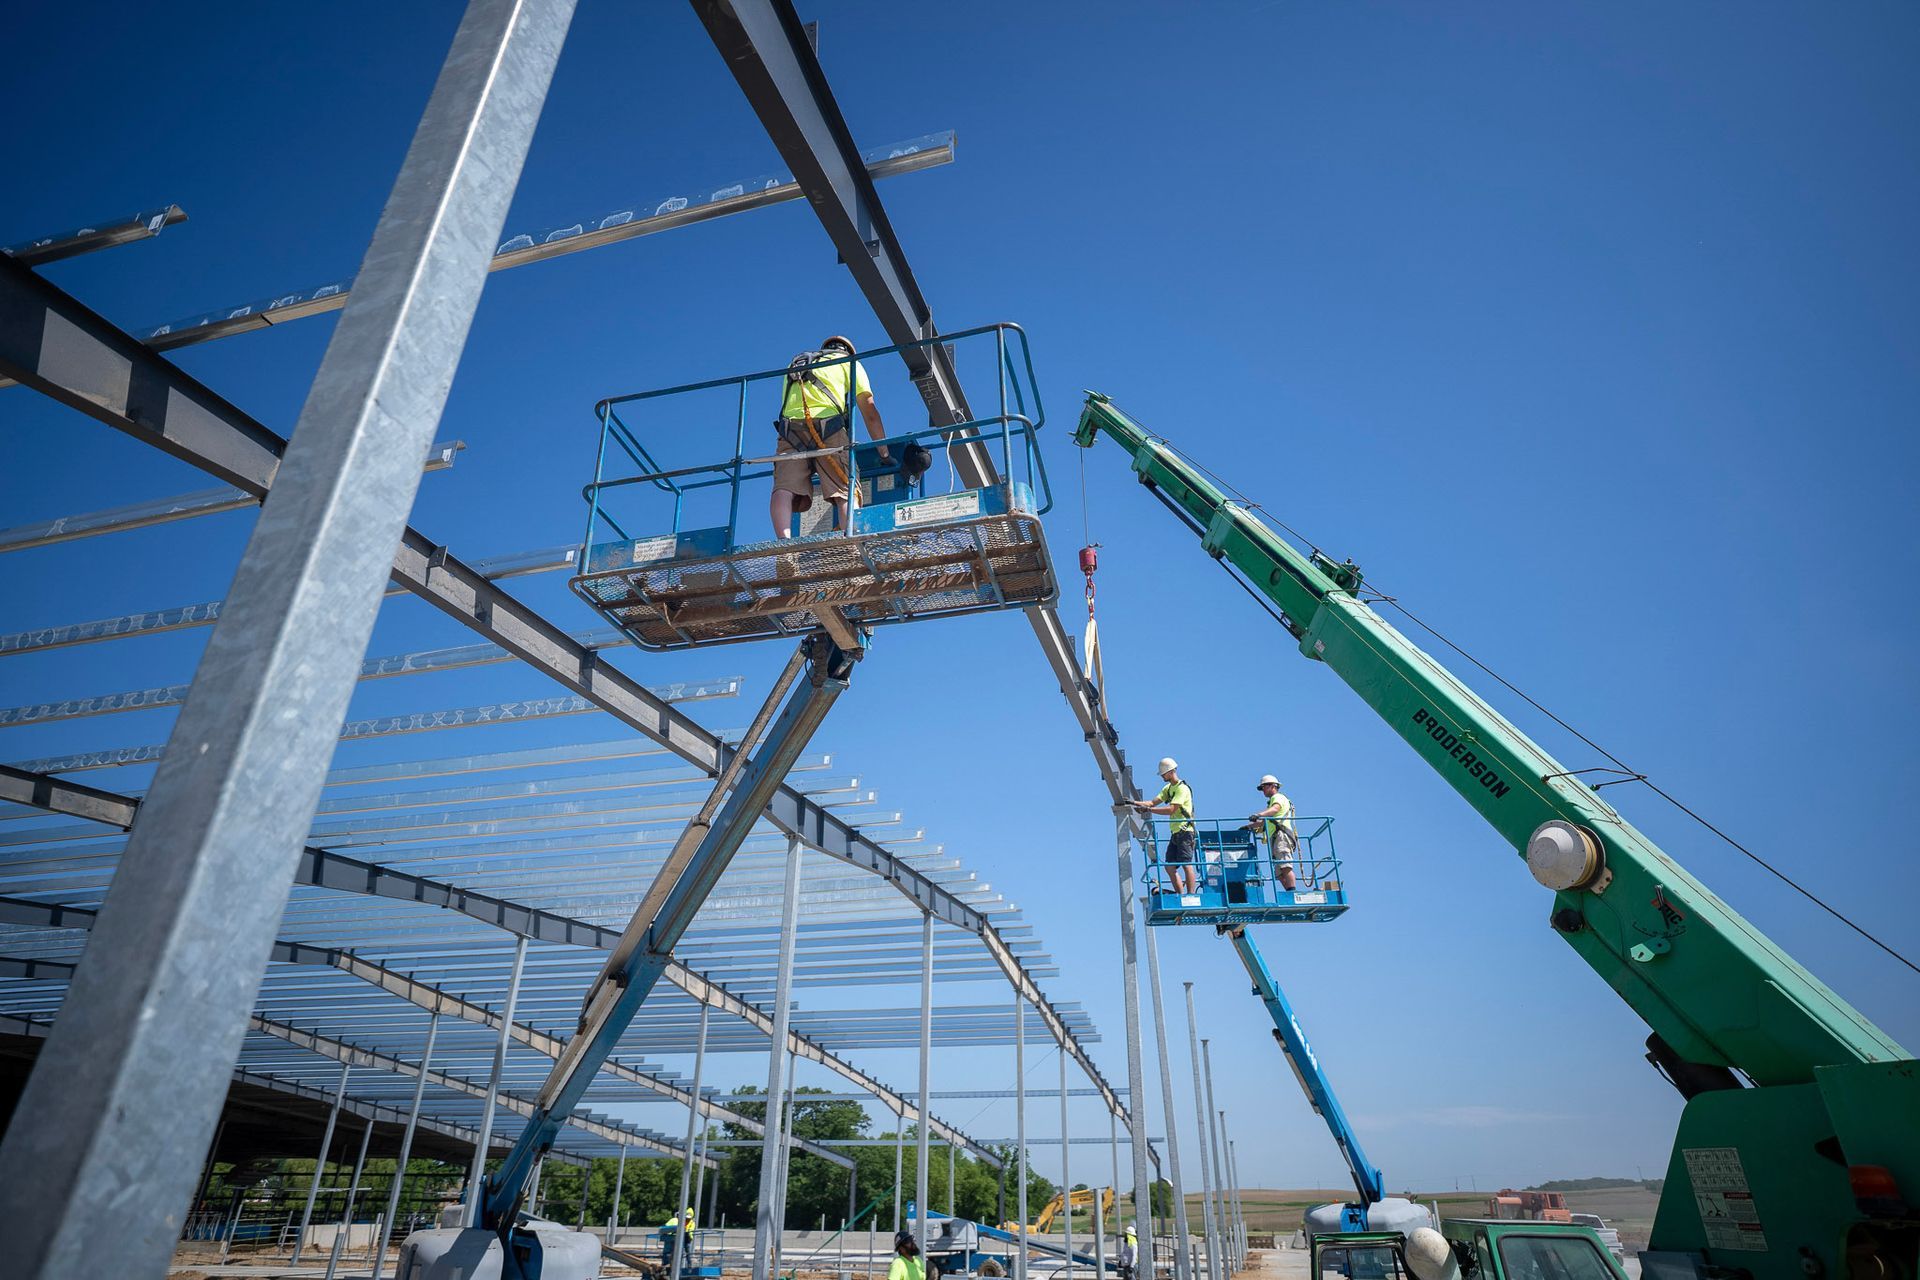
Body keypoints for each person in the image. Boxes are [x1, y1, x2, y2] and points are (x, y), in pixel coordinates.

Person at [771, 335, 890, 538]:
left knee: (784, 488)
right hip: (829, 430)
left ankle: (784, 548)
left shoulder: (798, 362)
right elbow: (869, 411)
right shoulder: (849, 363)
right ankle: (850, 543)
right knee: (846, 488)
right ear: (848, 352)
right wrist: (884, 453)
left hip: (790, 432)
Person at [1129, 757, 1199, 899]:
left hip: (1186, 832)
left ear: (1170, 772)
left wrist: (1148, 810)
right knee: (1169, 867)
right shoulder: (1168, 789)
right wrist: (1134, 802)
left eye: (1163, 774)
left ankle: (1191, 897)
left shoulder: (1182, 789)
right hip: (1176, 833)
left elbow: (1171, 810)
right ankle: (1180, 895)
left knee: (1186, 864)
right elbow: (1152, 802)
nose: (1162, 776)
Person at [1245, 773, 1298, 891]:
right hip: (1275, 838)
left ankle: (1293, 892)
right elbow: (1264, 823)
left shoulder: (1278, 797)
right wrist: (1248, 827)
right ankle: (1289, 892)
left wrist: (1258, 815)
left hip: (1282, 836)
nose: (1263, 790)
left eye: (1264, 786)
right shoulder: (1271, 803)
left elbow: (1275, 809)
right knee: (1279, 872)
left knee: (1285, 866)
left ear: (1273, 786)